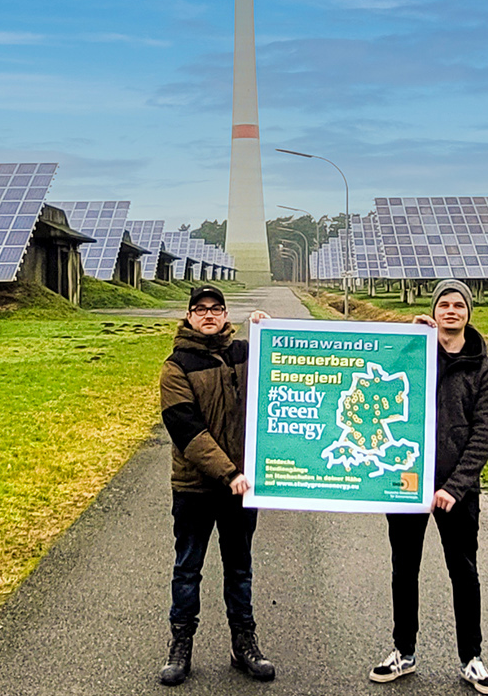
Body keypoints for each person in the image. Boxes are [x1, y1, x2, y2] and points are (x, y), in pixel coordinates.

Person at [368, 279, 488, 695]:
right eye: (443, 305)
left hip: (455, 492)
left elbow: (483, 436)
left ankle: (472, 659)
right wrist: (412, 335)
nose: (450, 311)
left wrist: (455, 486)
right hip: (406, 482)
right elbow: (373, 364)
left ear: (468, 314)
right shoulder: (417, 355)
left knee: (463, 572)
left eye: (458, 305)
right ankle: (403, 652)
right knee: (404, 569)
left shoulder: (484, 369)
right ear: (435, 311)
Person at [158, 285, 275, 686]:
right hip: (197, 486)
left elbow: (288, 370)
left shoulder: (244, 352)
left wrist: (268, 333)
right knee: (188, 568)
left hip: (242, 488)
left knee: (239, 568)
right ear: (189, 315)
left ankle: (244, 642)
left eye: (217, 308)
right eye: (201, 309)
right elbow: (186, 429)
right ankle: (180, 645)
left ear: (226, 314)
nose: (209, 314)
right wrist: (229, 473)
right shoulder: (176, 365)